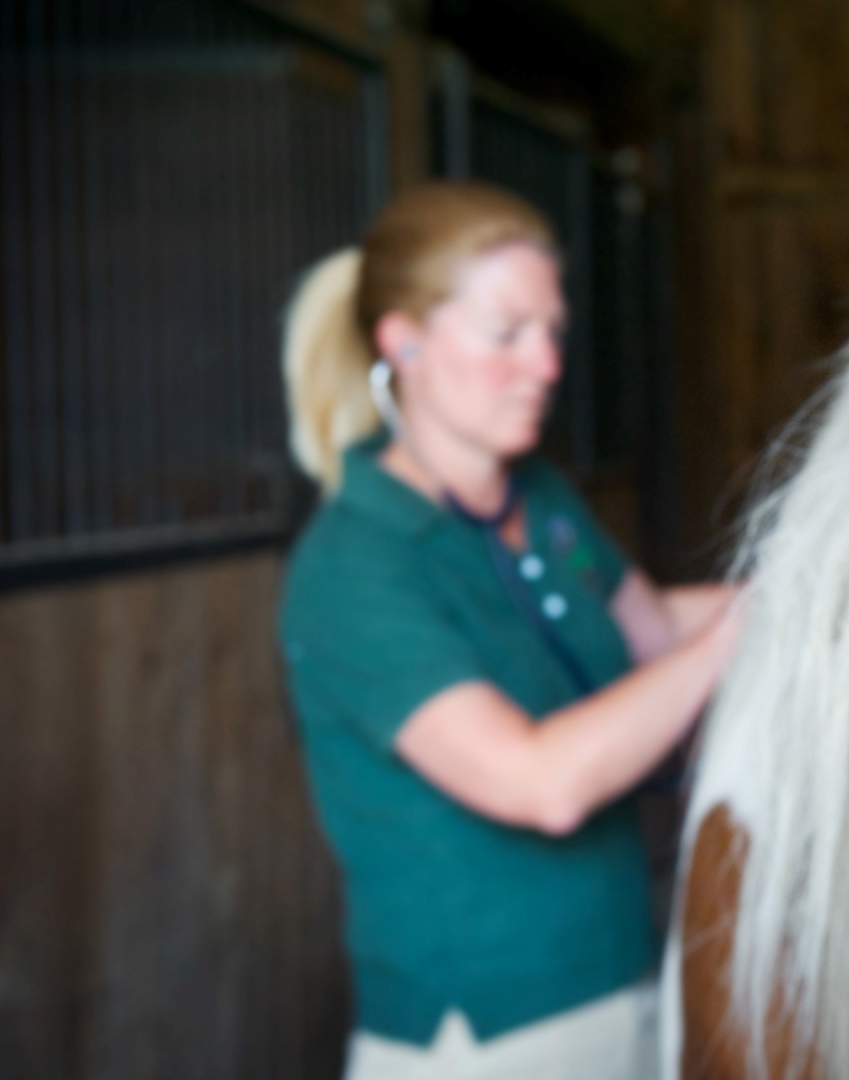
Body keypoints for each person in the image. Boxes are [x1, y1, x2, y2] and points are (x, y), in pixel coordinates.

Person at [277, 181, 740, 1079]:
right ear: (401, 340)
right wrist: (741, 633)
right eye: (507, 334)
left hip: (625, 980)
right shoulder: (354, 565)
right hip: (488, 1034)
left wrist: (815, 582)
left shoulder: (542, 502)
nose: (545, 364)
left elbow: (653, 630)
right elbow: (540, 781)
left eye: (553, 332)